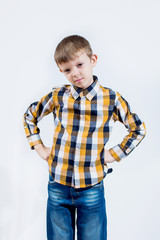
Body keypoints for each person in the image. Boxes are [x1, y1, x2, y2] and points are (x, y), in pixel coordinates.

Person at [23, 35, 146, 240]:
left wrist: (113, 154)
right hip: (58, 186)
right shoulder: (58, 96)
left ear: (93, 60)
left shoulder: (111, 99)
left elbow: (138, 129)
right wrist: (39, 147)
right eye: (67, 70)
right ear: (61, 71)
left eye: (80, 65)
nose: (75, 73)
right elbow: (30, 115)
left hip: (91, 188)